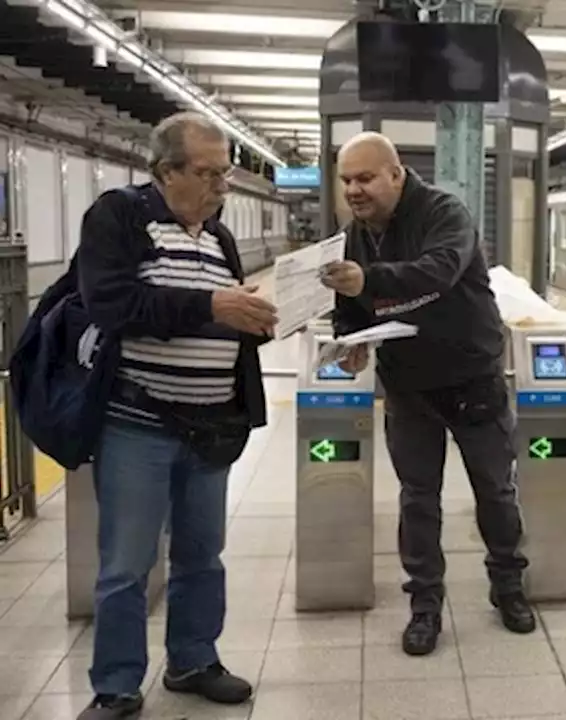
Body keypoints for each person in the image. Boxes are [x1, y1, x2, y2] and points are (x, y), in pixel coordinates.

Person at [76, 112, 276, 719]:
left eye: (225, 175)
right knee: (126, 564)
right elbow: (112, 304)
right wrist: (212, 304)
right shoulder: (121, 217)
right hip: (139, 422)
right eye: (208, 173)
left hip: (211, 425)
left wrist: (258, 321)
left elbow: (213, 320)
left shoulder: (219, 239)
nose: (220, 187)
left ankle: (192, 659)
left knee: (200, 554)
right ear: (166, 171)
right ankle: (115, 685)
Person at [322, 132, 536, 657]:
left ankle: (508, 586)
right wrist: (349, 344)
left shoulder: (445, 212)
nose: (354, 189)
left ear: (396, 174)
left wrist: (364, 282)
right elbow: (352, 308)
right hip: (408, 386)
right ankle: (424, 605)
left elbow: (437, 273)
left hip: (471, 378)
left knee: (495, 490)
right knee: (418, 499)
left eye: (366, 177)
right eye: (347, 179)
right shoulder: (353, 237)